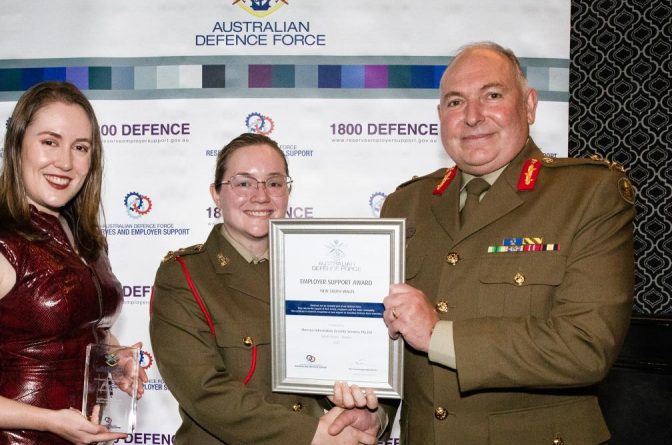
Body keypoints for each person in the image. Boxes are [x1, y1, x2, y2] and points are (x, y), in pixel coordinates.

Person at [372, 42, 636, 444]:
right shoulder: (405, 203)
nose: (473, 116)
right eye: (455, 102)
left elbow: (586, 347)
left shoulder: (586, 194)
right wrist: (373, 415)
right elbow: (389, 335)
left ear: (529, 106)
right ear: (440, 116)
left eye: (492, 95)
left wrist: (438, 335)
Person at [0, 80, 148, 445]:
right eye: (49, 141)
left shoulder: (82, 236)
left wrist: (114, 360)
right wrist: (49, 420)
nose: (65, 162)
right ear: (17, 145)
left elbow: (76, 332)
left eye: (80, 148)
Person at [149, 133, 397, 444]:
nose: (261, 196)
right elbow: (204, 392)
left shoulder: (332, 271)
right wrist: (310, 436)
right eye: (243, 183)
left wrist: (376, 415)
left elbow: (372, 358)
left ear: (288, 192)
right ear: (216, 194)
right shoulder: (184, 275)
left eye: (275, 183)